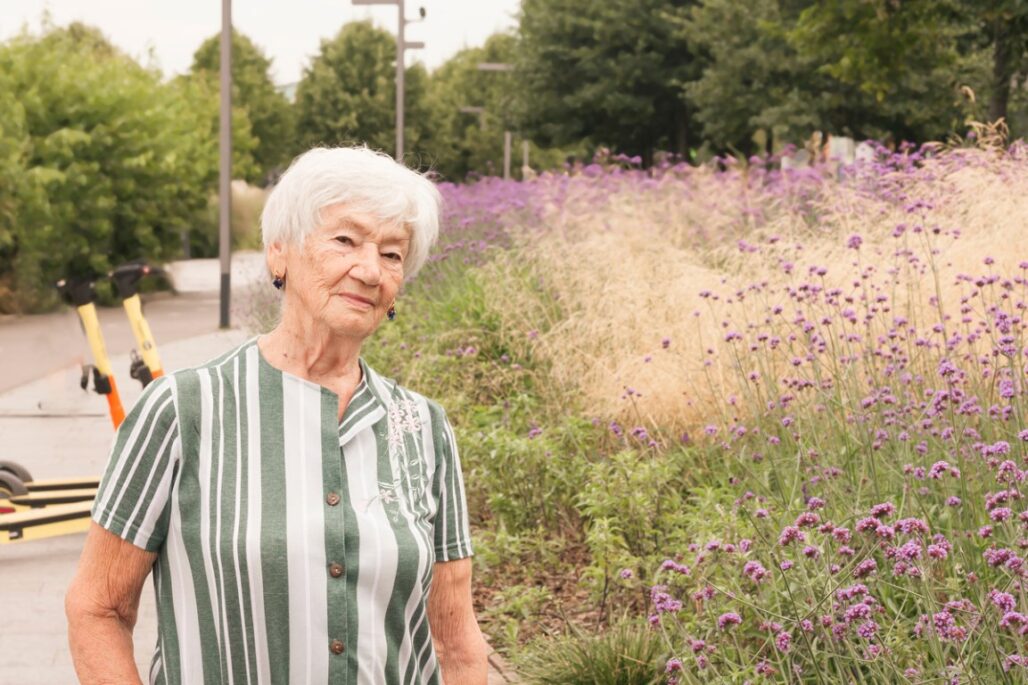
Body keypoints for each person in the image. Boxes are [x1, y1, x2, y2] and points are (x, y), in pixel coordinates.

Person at [66, 146, 489, 684]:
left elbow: (455, 640)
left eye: (392, 254)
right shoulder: (182, 409)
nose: (369, 270)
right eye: (345, 240)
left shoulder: (424, 427)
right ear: (279, 253)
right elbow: (97, 607)